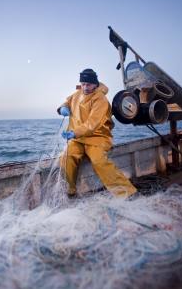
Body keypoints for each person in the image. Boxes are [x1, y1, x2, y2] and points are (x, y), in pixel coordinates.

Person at [57, 69, 138, 199]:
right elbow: (68, 101)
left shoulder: (101, 99)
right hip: (78, 138)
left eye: (88, 84)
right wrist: (62, 107)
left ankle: (127, 193)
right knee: (67, 157)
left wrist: (74, 132)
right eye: (83, 84)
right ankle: (70, 192)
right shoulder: (77, 94)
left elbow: (93, 123)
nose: (85, 87)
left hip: (97, 137)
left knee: (99, 160)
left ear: (95, 84)